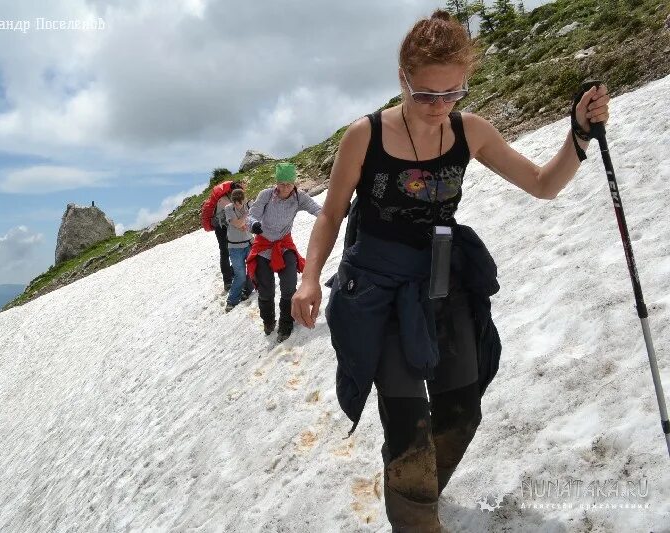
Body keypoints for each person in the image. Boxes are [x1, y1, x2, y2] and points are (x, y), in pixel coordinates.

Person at [290, 10, 609, 532]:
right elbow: (330, 212)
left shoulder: (472, 131)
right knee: (409, 431)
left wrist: (578, 134)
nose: (439, 107)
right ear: (403, 79)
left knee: (462, 413)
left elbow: (543, 184)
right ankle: (414, 510)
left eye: (452, 94)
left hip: (443, 281)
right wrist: (308, 278)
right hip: (379, 289)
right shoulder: (364, 137)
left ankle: (410, 487)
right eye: (426, 95)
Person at [247, 162, 322, 342]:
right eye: (281, 183)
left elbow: (316, 209)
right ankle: (268, 321)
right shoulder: (265, 195)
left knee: (288, 287)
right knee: (266, 290)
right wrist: (254, 224)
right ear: (276, 182)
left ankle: (286, 324)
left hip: (284, 246)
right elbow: (251, 214)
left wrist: (332, 214)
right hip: (263, 246)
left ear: (294, 182)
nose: (285, 187)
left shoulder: (299, 197)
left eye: (289, 183)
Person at [201, 177, 246, 291]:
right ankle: (228, 281)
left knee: (227, 252)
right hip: (222, 227)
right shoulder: (224, 201)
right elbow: (231, 218)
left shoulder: (227, 197)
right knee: (227, 252)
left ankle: (230, 276)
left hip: (223, 227)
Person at [224, 188, 255, 312]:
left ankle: (246, 291)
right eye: (235, 202)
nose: (237, 204)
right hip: (234, 247)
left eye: (239, 202)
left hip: (249, 244)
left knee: (253, 270)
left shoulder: (250, 204)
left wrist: (243, 222)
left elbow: (252, 222)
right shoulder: (228, 208)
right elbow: (237, 224)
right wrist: (245, 218)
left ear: (244, 199)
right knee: (240, 275)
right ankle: (232, 300)